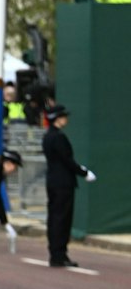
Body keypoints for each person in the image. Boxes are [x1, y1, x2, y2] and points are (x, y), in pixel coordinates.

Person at [41, 104, 96, 268]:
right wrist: (83, 172)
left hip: (53, 181)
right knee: (62, 218)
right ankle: (59, 254)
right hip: (63, 182)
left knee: (55, 217)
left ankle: (56, 252)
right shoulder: (58, 137)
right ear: (57, 119)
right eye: (63, 116)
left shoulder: (48, 136)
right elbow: (67, 160)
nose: (66, 119)